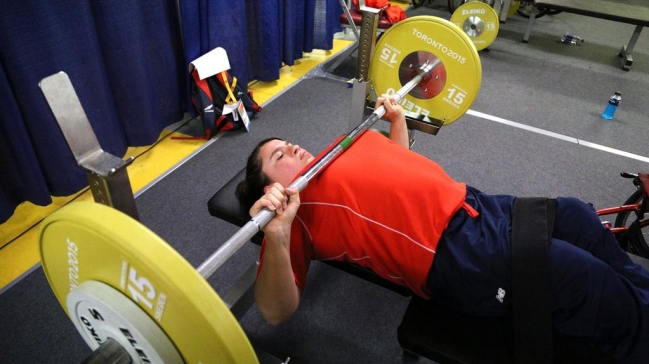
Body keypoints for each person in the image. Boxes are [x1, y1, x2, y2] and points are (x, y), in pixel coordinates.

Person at [235, 94, 649, 364]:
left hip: (476, 205)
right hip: (452, 253)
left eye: (285, 142)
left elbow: (397, 172)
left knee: (578, 217)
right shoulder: (294, 215)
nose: (289, 147)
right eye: (277, 155)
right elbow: (274, 311)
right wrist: (275, 231)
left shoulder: (342, 147)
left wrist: (397, 120)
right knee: (576, 275)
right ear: (270, 187)